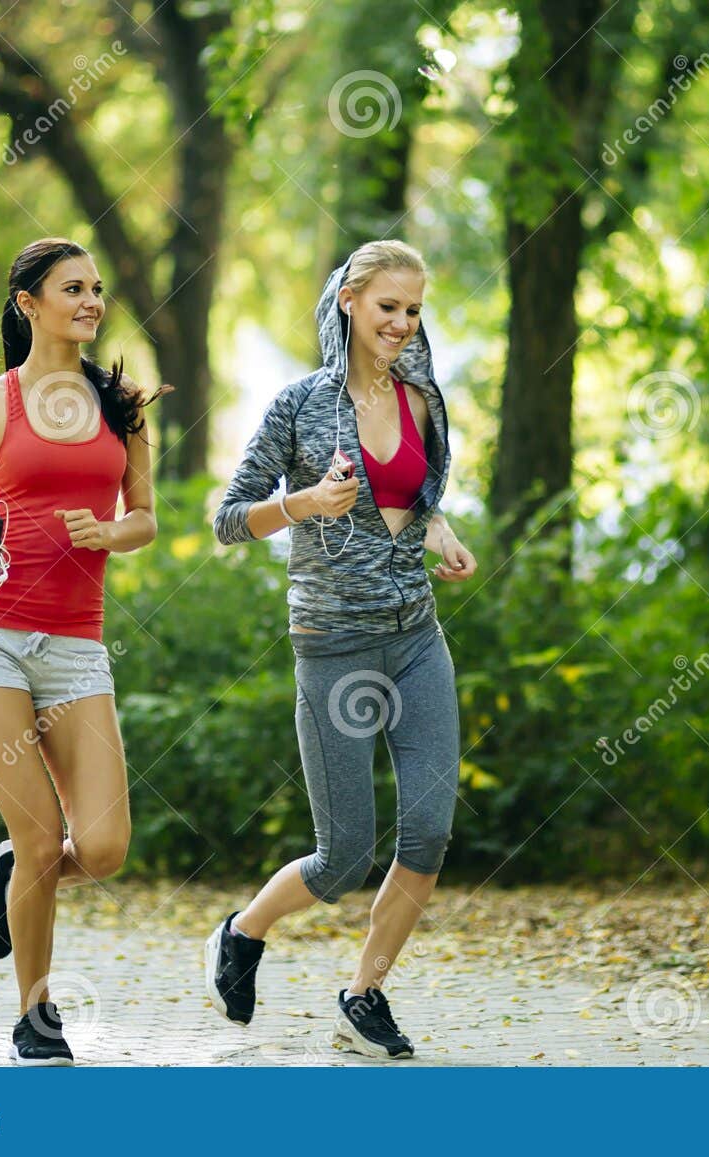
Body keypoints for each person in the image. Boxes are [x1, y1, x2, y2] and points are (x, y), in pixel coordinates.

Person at [207, 239, 476, 1060]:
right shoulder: (300, 405)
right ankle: (244, 930)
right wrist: (304, 501)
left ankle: (364, 996)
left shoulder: (426, 399)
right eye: (388, 306)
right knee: (343, 858)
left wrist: (440, 529)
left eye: (415, 310)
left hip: (416, 637)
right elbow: (228, 518)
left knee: (428, 832)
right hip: (333, 644)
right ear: (351, 302)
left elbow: (413, 498)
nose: (402, 324)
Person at [0, 237, 165, 1066]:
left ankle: (10, 875)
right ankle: (35, 1013)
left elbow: (145, 515)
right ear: (28, 302)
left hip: (74, 647)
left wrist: (108, 530)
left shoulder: (123, 403)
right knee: (40, 838)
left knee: (100, 849)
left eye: (97, 288)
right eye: (74, 288)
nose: (92, 300)